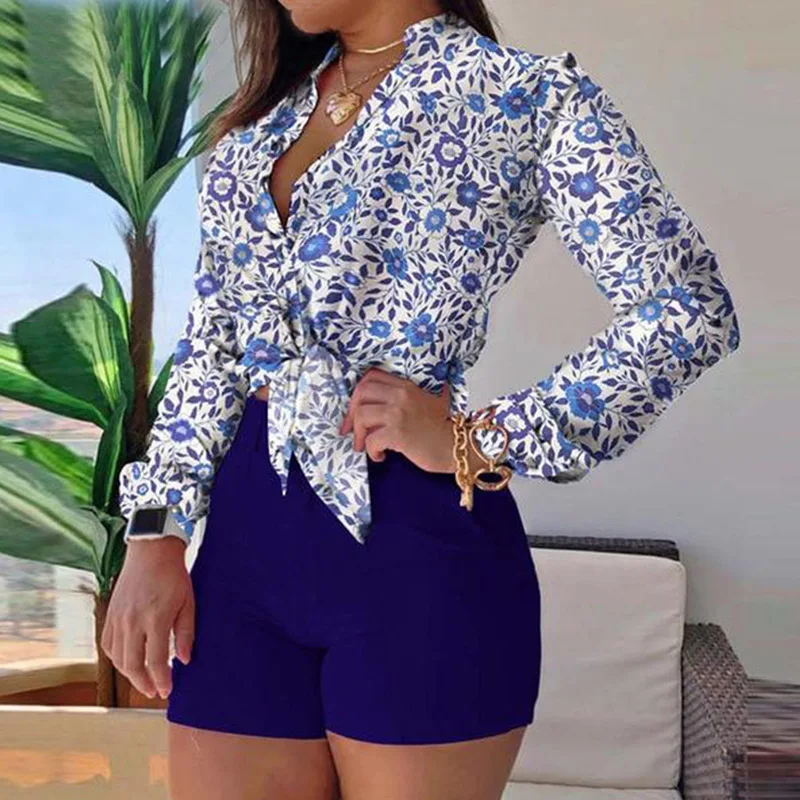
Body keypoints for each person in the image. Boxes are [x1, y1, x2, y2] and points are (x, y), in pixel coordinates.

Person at [102, 1, 741, 798]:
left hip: (418, 561)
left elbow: (687, 309)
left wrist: (482, 437)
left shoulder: (527, 96)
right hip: (241, 561)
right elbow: (211, 348)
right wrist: (154, 536)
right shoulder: (259, 127)